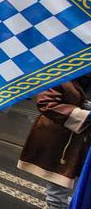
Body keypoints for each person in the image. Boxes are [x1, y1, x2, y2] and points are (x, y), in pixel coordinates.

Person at [18, 74, 91, 209]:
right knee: (58, 193)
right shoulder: (61, 74)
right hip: (61, 141)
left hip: (84, 140)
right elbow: (46, 103)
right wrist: (84, 114)